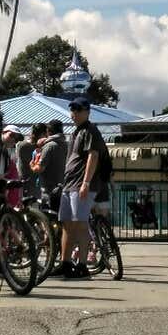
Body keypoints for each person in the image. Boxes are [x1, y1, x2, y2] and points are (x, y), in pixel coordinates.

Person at [58, 96, 107, 280]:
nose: (75, 113)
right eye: (73, 110)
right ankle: (65, 263)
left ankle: (83, 265)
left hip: (81, 184)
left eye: (79, 110)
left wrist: (86, 182)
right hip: (70, 183)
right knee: (67, 224)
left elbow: (92, 156)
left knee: (80, 224)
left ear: (87, 112)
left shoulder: (90, 131)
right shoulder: (76, 131)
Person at [0, 124, 25, 286]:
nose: (13, 140)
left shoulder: (7, 154)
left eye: (16, 138)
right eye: (11, 135)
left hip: (1, 197)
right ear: (3, 132)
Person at [32, 119, 67, 204]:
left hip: (48, 189)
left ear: (49, 131)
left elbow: (39, 168)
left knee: (47, 214)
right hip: (63, 187)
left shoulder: (49, 146)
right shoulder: (66, 144)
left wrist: (32, 165)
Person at [16, 123, 45, 199]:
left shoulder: (21, 145)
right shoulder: (27, 147)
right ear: (42, 134)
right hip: (30, 183)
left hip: (25, 181)